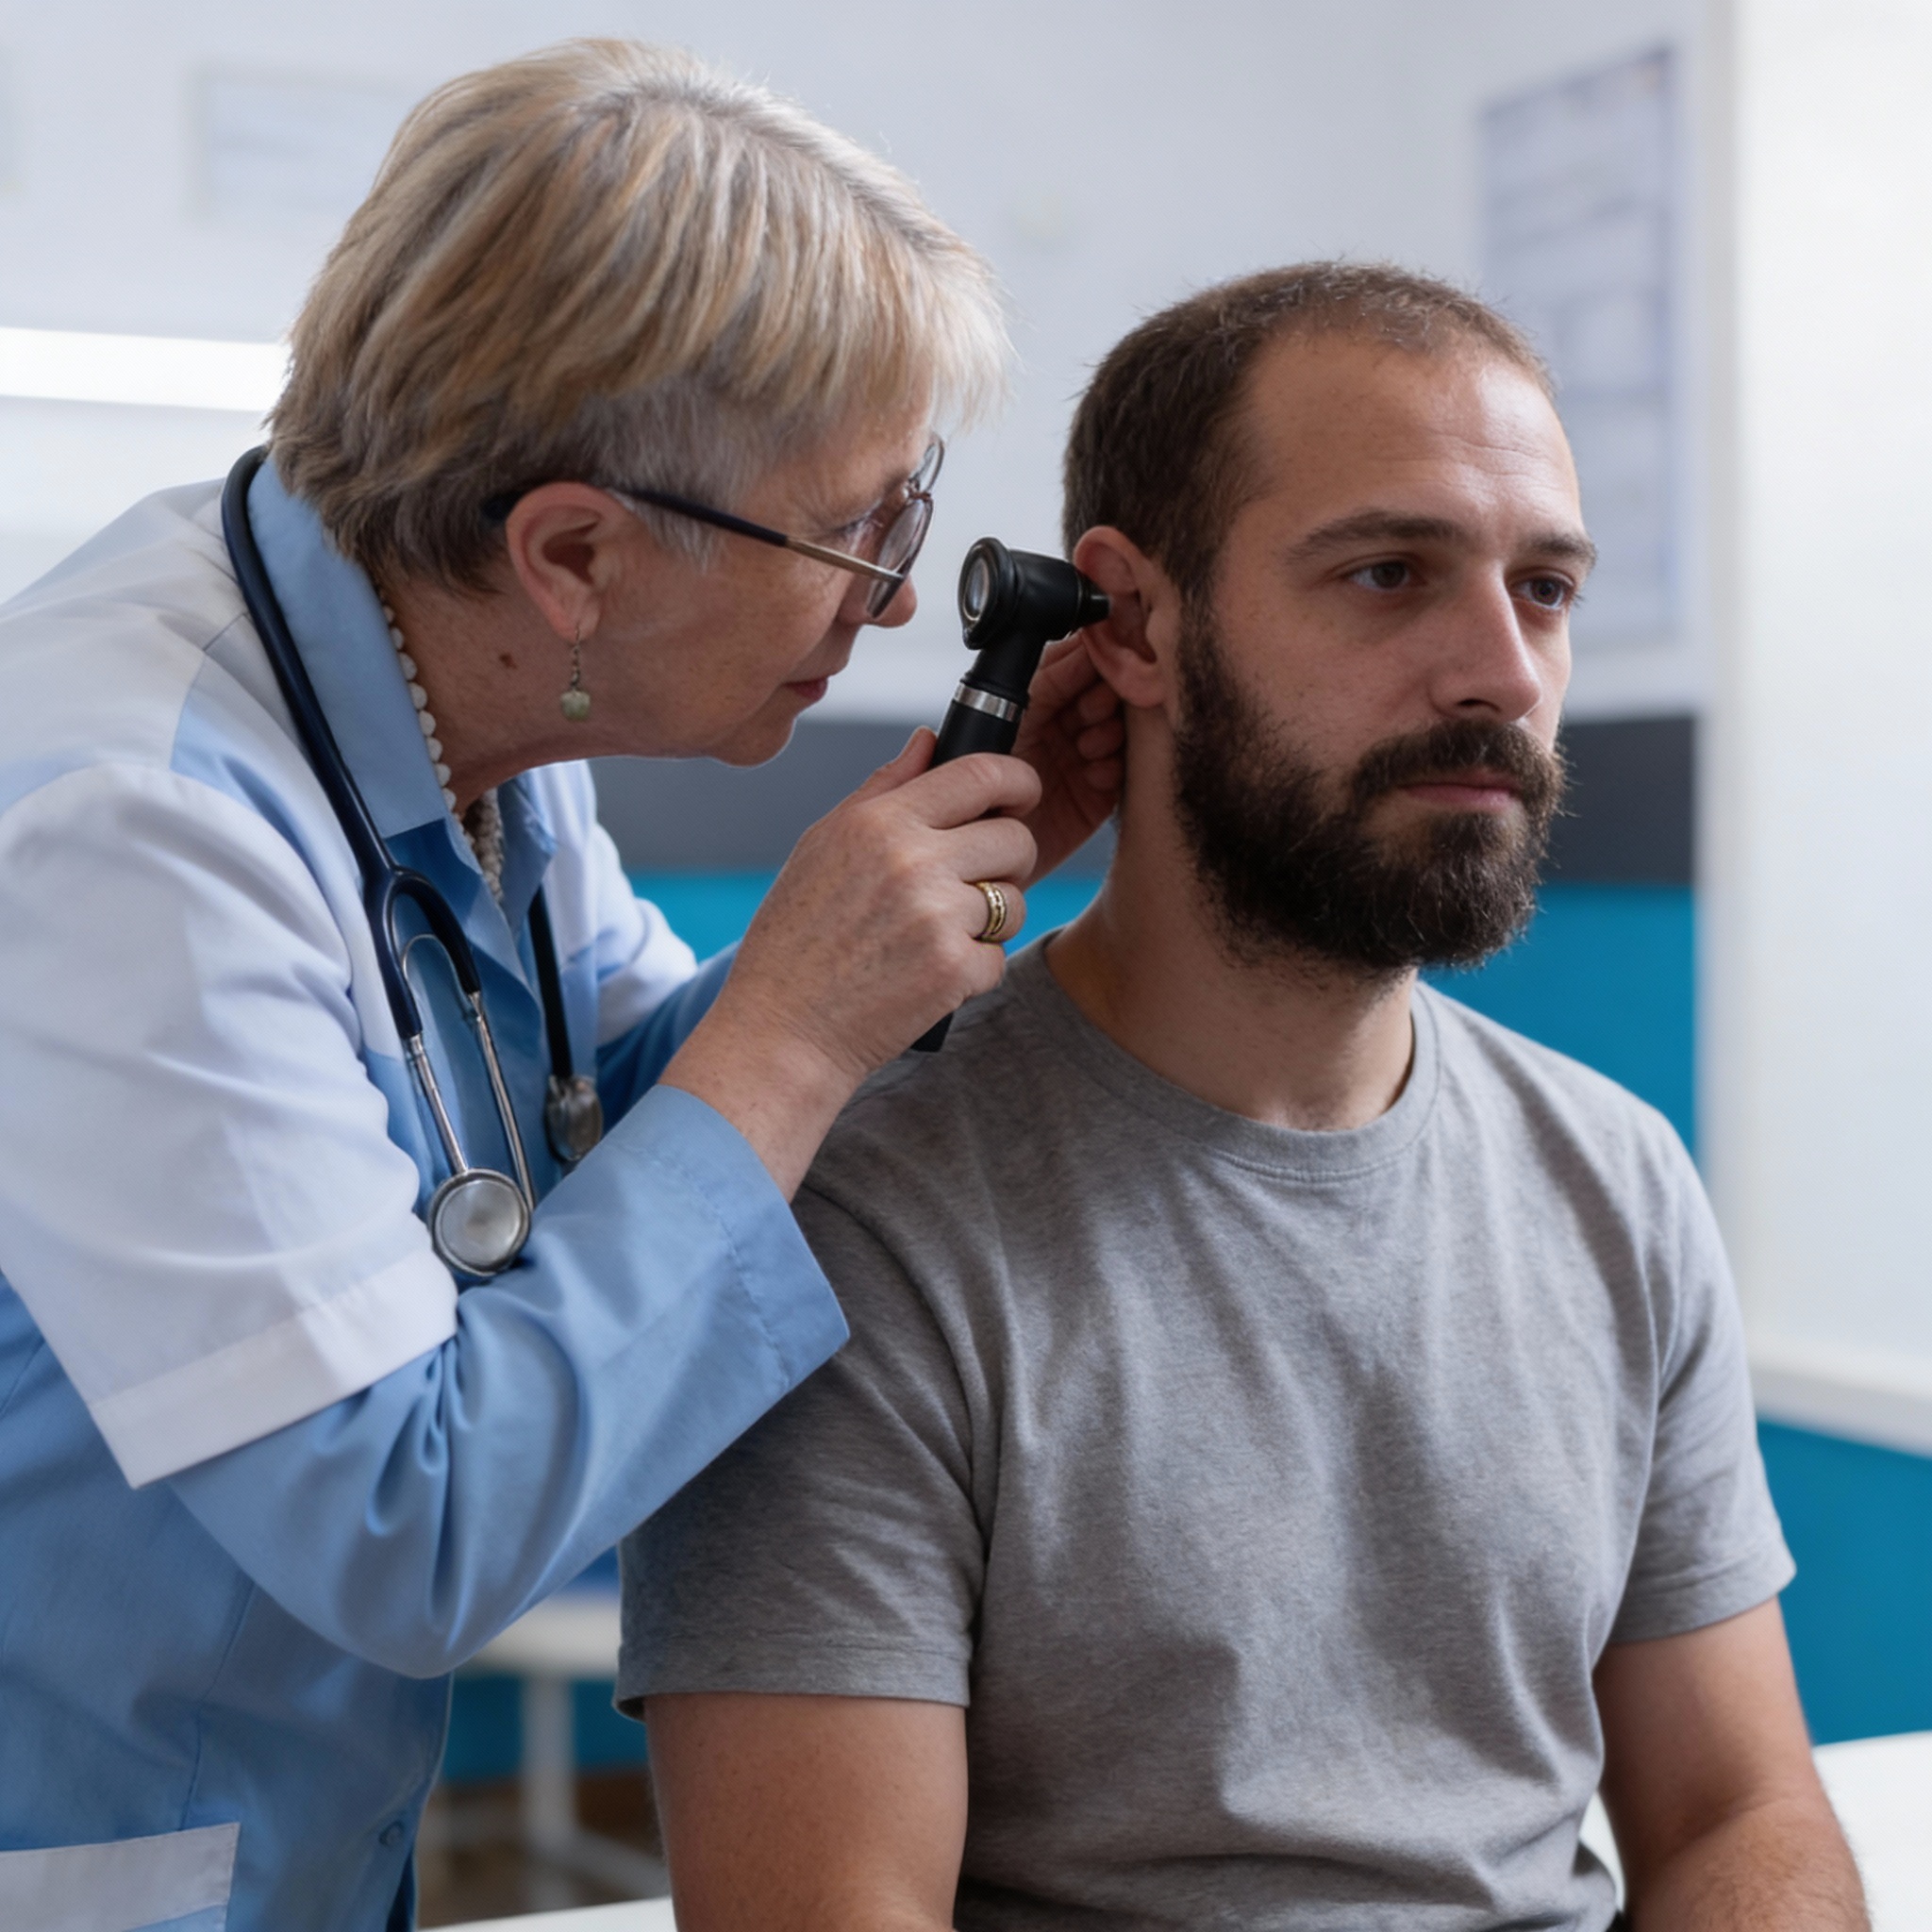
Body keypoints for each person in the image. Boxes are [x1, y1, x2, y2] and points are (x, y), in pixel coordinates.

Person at [0, 41, 1124, 1932]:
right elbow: (408, 1518)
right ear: (576, 555)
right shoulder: (131, 828)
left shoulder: (471, 704)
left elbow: (617, 1098)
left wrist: (913, 908)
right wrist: (798, 1019)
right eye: (857, 532)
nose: (891, 603)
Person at [618, 264, 1866, 1931]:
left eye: (1546, 589)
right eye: (1387, 574)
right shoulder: (855, 1223)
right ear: (1134, 625)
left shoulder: (1615, 1179)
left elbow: (1735, 1815)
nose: (1501, 671)